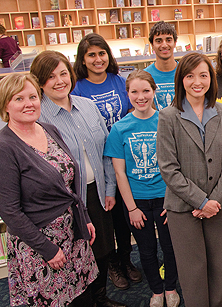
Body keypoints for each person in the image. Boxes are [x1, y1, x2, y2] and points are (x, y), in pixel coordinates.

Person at [30, 50, 127, 307]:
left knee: (104, 249)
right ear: (40, 82)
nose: (60, 81)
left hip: (97, 192)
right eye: (50, 77)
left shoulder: (87, 105)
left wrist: (109, 188)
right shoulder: (36, 115)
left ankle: (100, 298)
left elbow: (107, 150)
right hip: (65, 201)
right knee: (75, 254)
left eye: (63, 73)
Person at [0, 73, 97, 307]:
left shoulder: (49, 129)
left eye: (33, 96)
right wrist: (49, 249)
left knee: (81, 297)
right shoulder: (5, 147)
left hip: (72, 234)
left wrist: (84, 217)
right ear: (5, 105)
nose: (28, 103)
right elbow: (10, 211)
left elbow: (68, 183)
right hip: (39, 245)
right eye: (18, 98)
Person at [156, 53, 222, 306]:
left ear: (211, 79)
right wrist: (201, 201)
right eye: (190, 75)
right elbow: (168, 169)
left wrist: (213, 200)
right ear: (181, 80)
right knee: (193, 271)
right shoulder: (169, 116)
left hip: (218, 206)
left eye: (203, 75)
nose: (197, 82)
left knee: (217, 267)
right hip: (183, 208)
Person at [104, 70, 180, 307]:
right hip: (137, 201)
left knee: (170, 248)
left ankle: (170, 288)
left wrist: (172, 200)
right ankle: (156, 290)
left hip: (166, 198)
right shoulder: (119, 129)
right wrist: (132, 208)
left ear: (154, 92)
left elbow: (177, 164)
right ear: (127, 94)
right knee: (146, 250)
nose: (141, 96)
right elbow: (119, 173)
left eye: (146, 90)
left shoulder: (168, 120)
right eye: (134, 91)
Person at [72, 33, 141, 291]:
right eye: (91, 55)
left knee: (125, 216)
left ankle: (126, 259)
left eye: (102, 53)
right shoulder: (77, 88)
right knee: (105, 218)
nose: (98, 59)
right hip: (95, 163)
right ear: (83, 59)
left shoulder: (119, 81)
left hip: (123, 159)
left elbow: (133, 111)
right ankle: (112, 263)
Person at [144, 21, 178, 111]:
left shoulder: (186, 72)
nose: (164, 45)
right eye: (159, 41)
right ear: (152, 45)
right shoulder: (145, 76)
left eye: (168, 40)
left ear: (175, 43)